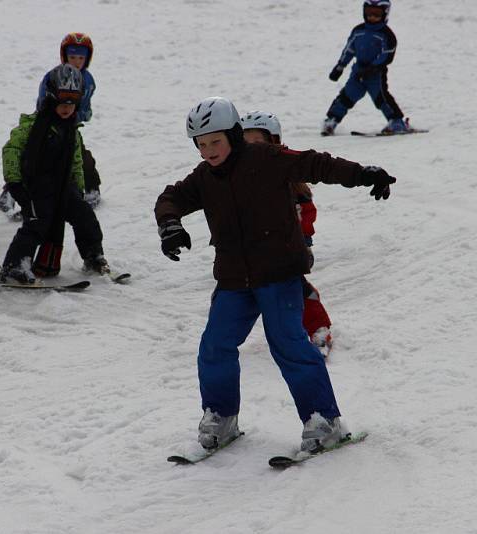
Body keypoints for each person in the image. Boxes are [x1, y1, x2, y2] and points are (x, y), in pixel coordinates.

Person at [154, 97, 396, 453]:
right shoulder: (205, 177)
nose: (208, 151)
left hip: (279, 273)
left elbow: (316, 164)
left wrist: (363, 174)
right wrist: (170, 225)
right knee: (215, 346)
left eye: (214, 142)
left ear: (234, 135)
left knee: (288, 345)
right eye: (201, 144)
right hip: (234, 279)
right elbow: (171, 197)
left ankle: (324, 420)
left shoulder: (265, 159)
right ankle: (221, 416)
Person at [0, 64, 110, 284]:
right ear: (49, 99)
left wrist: (78, 187)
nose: (67, 108)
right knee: (36, 223)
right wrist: (14, 183)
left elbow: (76, 161)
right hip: (37, 188)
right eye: (62, 102)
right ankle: (14, 265)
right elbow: (10, 150)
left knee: (85, 217)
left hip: (63, 187)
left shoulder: (71, 131)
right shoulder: (32, 127)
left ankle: (93, 256)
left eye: (72, 103)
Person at [240, 110, 334, 356]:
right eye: (245, 142)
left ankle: (318, 329)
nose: (251, 148)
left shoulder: (285, 176)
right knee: (240, 296)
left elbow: (305, 211)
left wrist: (301, 241)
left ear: (273, 142)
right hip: (250, 255)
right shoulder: (236, 177)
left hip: (288, 250)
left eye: (257, 141)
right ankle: (221, 341)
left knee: (298, 291)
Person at [321, 0, 406, 136]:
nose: (372, 17)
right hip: (358, 72)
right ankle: (332, 120)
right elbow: (349, 50)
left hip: (376, 74)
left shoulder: (386, 34)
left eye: (376, 14)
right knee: (347, 96)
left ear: (385, 14)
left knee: (381, 97)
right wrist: (340, 67)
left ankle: (397, 122)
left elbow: (387, 54)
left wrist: (374, 67)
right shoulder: (358, 31)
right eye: (368, 13)